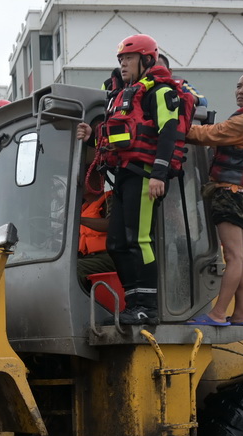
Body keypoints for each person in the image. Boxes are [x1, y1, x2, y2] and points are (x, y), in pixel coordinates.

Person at [75, 34, 195, 325]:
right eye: (120, 60)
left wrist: (159, 174)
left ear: (146, 60)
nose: (123, 64)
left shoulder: (161, 92)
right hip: (124, 176)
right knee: (116, 243)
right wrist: (93, 136)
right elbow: (118, 134)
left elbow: (169, 133)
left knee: (138, 240)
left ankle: (147, 308)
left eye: (128, 58)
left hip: (145, 175)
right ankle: (133, 303)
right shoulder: (124, 96)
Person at [183, 71, 243, 327]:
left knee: (232, 257)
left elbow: (213, 133)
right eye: (238, 86)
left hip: (230, 195)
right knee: (240, 257)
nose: (241, 90)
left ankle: (218, 313)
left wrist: (176, 131)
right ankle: (241, 314)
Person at [76, 176, 115, 291]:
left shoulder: (110, 199)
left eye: (88, 175)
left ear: (99, 180)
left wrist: (79, 219)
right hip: (88, 257)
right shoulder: (82, 207)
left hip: (109, 256)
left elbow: (111, 224)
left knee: (73, 268)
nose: (80, 180)